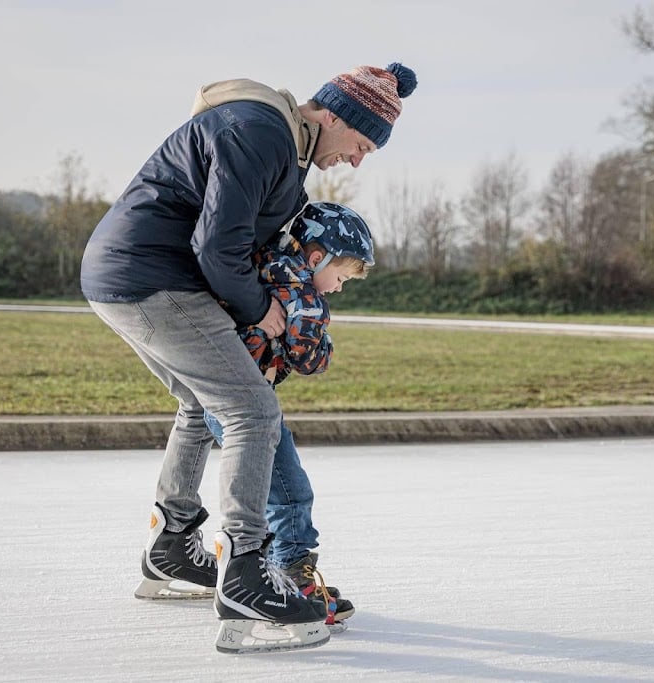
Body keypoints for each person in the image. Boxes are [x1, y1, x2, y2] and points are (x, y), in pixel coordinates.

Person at [80, 62, 416, 653]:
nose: (357, 161)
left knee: (198, 404)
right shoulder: (262, 131)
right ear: (333, 115)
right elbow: (216, 245)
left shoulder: (277, 146)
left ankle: (172, 549)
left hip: (124, 273)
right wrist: (262, 309)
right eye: (360, 144)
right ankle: (246, 575)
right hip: (153, 277)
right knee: (251, 413)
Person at [203, 201, 374, 631]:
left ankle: (267, 569)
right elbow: (309, 358)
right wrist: (324, 343)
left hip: (218, 398)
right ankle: (291, 577)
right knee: (290, 492)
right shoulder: (305, 294)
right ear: (318, 258)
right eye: (340, 277)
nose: (337, 288)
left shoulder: (266, 262)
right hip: (249, 408)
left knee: (266, 491)